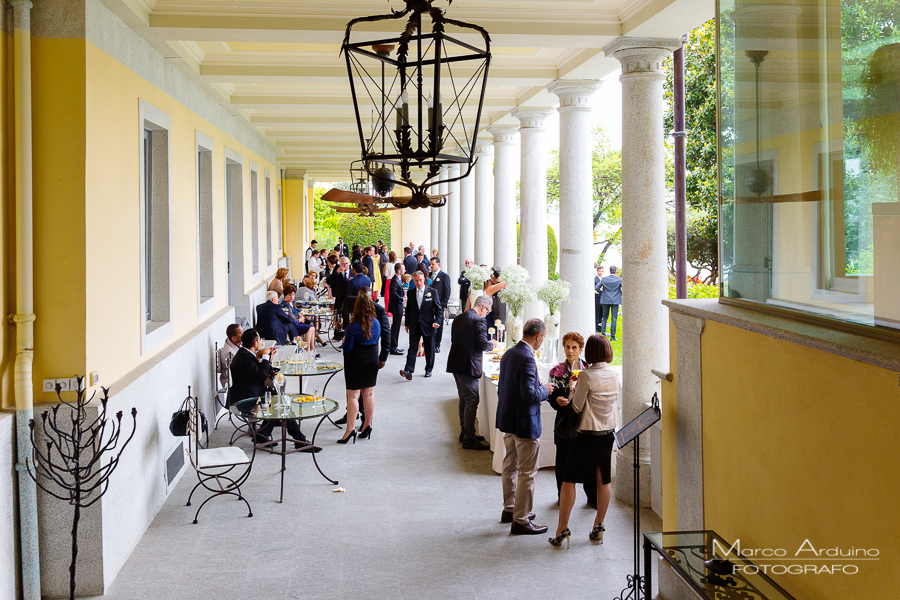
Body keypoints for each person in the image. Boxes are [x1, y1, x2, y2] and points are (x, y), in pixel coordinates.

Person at [549, 334, 619, 548]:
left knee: (569, 479)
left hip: (586, 434)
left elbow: (576, 407)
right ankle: (599, 525)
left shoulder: (587, 375)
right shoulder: (614, 374)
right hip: (607, 432)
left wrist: (572, 390)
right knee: (603, 479)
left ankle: (562, 528)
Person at [496, 318, 554, 535]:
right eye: (543, 338)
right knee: (528, 472)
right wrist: (546, 390)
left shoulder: (510, 352)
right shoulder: (527, 357)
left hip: (508, 419)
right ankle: (521, 519)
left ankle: (510, 509)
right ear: (538, 336)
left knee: (510, 466)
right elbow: (529, 395)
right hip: (524, 422)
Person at [229, 328, 315, 450]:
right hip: (245, 400)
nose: (260, 342)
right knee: (279, 402)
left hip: (250, 393)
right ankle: (298, 439)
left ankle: (267, 435)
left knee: (279, 400)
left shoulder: (245, 354)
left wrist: (262, 358)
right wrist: (265, 358)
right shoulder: (245, 358)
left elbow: (259, 372)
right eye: (259, 340)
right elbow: (263, 375)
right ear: (255, 343)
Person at [546, 332, 596, 507]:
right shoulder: (556, 371)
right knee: (563, 462)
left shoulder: (589, 369)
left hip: (585, 421)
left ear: (581, 349)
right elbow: (551, 398)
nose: (570, 350)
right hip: (564, 423)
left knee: (587, 460)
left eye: (574, 347)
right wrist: (557, 401)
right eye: (567, 346)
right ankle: (562, 496)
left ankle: (592, 497)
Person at [446, 295, 497, 450]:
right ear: (483, 307)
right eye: (487, 311)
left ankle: (465, 432)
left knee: (464, 398)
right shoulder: (479, 321)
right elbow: (482, 344)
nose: (486, 314)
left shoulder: (459, 318)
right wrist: (492, 344)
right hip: (469, 365)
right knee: (472, 400)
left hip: (456, 362)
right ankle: (469, 437)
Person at [338, 294, 381, 444]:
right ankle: (367, 425)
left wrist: (344, 341)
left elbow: (348, 348)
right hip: (372, 361)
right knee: (368, 394)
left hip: (356, 362)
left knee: (353, 396)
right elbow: (375, 341)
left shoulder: (353, 326)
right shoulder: (376, 323)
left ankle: (350, 430)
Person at [399, 272, 441, 379]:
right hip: (415, 324)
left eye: (420, 280)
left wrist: (437, 321)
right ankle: (408, 370)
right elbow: (409, 309)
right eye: (416, 280)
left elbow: (438, 309)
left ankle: (428, 369)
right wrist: (407, 324)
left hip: (429, 325)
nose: (418, 283)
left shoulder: (432, 292)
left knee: (429, 348)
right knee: (412, 348)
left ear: (424, 280)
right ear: (413, 281)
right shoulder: (411, 293)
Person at [280, 284, 317, 350]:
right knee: (310, 328)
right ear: (285, 295)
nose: (292, 297)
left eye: (293, 294)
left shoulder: (291, 302)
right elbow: (292, 321)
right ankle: (307, 350)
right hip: (291, 326)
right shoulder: (285, 305)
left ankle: (313, 348)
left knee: (311, 325)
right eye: (289, 295)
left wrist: (300, 314)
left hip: (296, 323)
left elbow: (295, 310)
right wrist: (300, 319)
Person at [429, 257, 451, 353]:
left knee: (439, 323)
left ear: (438, 264)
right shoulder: (429, 275)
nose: (431, 266)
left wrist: (443, 304)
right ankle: (430, 343)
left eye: (433, 264)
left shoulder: (444, 276)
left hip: (439, 304)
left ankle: (437, 344)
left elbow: (447, 291)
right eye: (431, 264)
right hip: (429, 303)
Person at [326, 256, 351, 340]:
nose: (345, 265)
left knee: (348, 319)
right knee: (339, 318)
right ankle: (337, 336)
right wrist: (336, 273)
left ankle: (346, 337)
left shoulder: (352, 272)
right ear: (340, 264)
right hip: (339, 299)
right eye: (343, 264)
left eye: (347, 263)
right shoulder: (336, 273)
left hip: (350, 300)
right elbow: (328, 281)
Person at [599, 266, 622, 341]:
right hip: (615, 300)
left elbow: (597, 287)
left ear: (609, 271)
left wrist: (602, 293)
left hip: (605, 300)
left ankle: (603, 333)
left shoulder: (604, 279)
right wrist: (620, 294)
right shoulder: (619, 280)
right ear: (615, 272)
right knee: (614, 318)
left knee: (604, 317)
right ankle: (613, 336)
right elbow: (623, 288)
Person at [388, 262, 406, 354]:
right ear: (399, 271)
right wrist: (402, 299)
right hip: (396, 307)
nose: (405, 270)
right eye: (403, 269)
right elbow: (394, 294)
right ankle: (393, 347)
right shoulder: (395, 280)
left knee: (396, 327)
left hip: (397, 306)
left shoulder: (397, 279)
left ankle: (394, 346)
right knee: (395, 327)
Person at [217, 323, 242, 388]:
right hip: (234, 383)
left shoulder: (236, 342)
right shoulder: (228, 353)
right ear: (234, 338)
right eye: (241, 333)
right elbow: (238, 370)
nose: (244, 334)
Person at [593, 264, 605, 333]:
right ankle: (596, 327)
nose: (601, 272)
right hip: (597, 299)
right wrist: (600, 289)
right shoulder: (594, 279)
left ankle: (601, 327)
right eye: (600, 271)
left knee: (602, 314)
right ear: (597, 271)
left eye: (602, 271)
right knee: (597, 314)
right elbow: (595, 288)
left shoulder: (604, 279)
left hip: (603, 299)